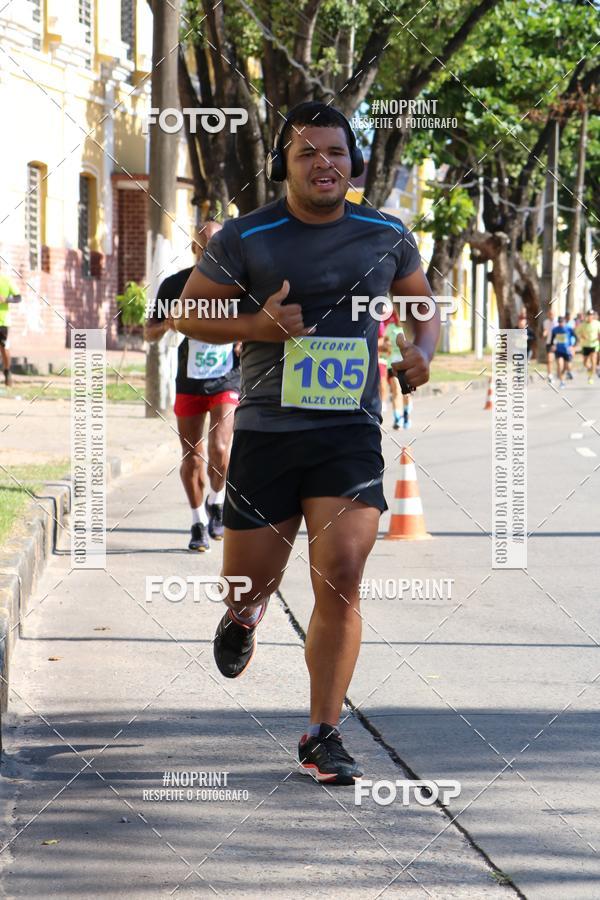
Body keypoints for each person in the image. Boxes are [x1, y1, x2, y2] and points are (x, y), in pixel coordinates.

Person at [174, 101, 440, 784]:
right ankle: (245, 614)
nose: (324, 163)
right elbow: (189, 311)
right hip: (266, 431)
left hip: (347, 432)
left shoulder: (385, 233)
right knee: (249, 580)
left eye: (335, 152)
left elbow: (420, 305)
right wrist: (258, 327)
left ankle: (323, 733)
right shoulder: (247, 236)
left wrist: (423, 352)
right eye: (306, 153)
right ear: (284, 166)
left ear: (354, 163)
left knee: (343, 578)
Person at [144, 222, 240, 551]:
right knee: (192, 458)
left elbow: (258, 323)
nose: (212, 253)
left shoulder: (239, 283)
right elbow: (149, 331)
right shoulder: (174, 284)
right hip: (189, 379)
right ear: (195, 250)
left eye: (218, 248)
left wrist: (244, 339)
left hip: (227, 376)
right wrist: (168, 323)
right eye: (205, 248)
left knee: (221, 449)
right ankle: (199, 521)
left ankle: (218, 500)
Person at [384, 310, 412, 429]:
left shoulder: (409, 329)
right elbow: (384, 342)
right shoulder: (390, 327)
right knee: (396, 390)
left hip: (406, 365)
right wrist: (387, 346)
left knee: (406, 394)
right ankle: (397, 419)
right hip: (393, 364)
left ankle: (406, 415)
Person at [0, 273, 22, 387]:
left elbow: (18, 297)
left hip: (3, 322)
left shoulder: (6, 279)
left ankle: (7, 371)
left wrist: (6, 299)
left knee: (4, 348)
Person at [575, 309, 600, 385]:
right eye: (589, 315)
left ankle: (591, 377)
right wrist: (581, 336)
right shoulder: (583, 324)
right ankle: (591, 369)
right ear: (587, 316)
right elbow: (577, 332)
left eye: (591, 315)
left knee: (593, 360)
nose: (590, 317)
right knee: (585, 363)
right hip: (585, 345)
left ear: (593, 316)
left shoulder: (597, 323)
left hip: (594, 345)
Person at [550, 315, 576, 388]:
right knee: (560, 365)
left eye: (562, 322)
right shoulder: (555, 329)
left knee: (567, 367)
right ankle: (562, 382)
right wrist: (553, 345)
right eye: (559, 322)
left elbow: (576, 337)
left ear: (565, 322)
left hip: (567, 351)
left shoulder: (569, 329)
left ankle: (569, 372)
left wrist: (572, 346)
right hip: (559, 350)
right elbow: (552, 340)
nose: (561, 324)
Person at [542, 309, 556, 382]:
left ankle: (561, 372)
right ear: (548, 315)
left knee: (557, 360)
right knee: (549, 360)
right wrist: (544, 333)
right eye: (549, 314)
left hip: (558, 343)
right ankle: (550, 375)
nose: (551, 315)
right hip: (549, 343)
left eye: (552, 314)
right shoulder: (545, 322)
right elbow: (545, 330)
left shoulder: (557, 322)